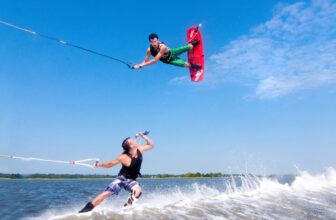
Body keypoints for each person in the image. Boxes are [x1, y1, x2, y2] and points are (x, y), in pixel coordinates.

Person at [79, 132, 154, 213]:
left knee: (138, 191)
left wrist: (143, 136)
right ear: (131, 146)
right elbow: (109, 164)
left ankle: (127, 207)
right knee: (106, 194)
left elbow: (151, 145)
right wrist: (98, 165)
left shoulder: (140, 149)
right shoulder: (123, 157)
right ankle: (84, 211)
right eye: (132, 140)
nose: (134, 139)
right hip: (121, 178)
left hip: (132, 180)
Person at [132, 33, 201, 69]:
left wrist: (141, 65)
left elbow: (155, 60)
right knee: (187, 65)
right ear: (150, 42)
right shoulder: (149, 50)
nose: (154, 43)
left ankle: (192, 44)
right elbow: (146, 60)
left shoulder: (162, 47)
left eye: (155, 41)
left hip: (173, 52)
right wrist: (139, 65)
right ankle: (192, 65)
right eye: (152, 42)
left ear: (158, 40)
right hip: (170, 61)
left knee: (190, 46)